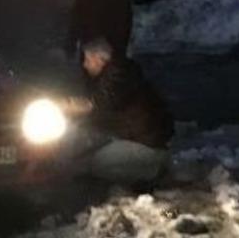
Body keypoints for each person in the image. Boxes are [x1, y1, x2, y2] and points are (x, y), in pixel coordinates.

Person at [64, 38, 174, 185]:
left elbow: (102, 102)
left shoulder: (119, 75)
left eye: (88, 59)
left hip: (147, 147)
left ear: (100, 59)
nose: (85, 65)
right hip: (134, 139)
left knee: (96, 163)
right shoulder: (110, 76)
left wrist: (73, 106)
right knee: (83, 153)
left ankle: (145, 178)